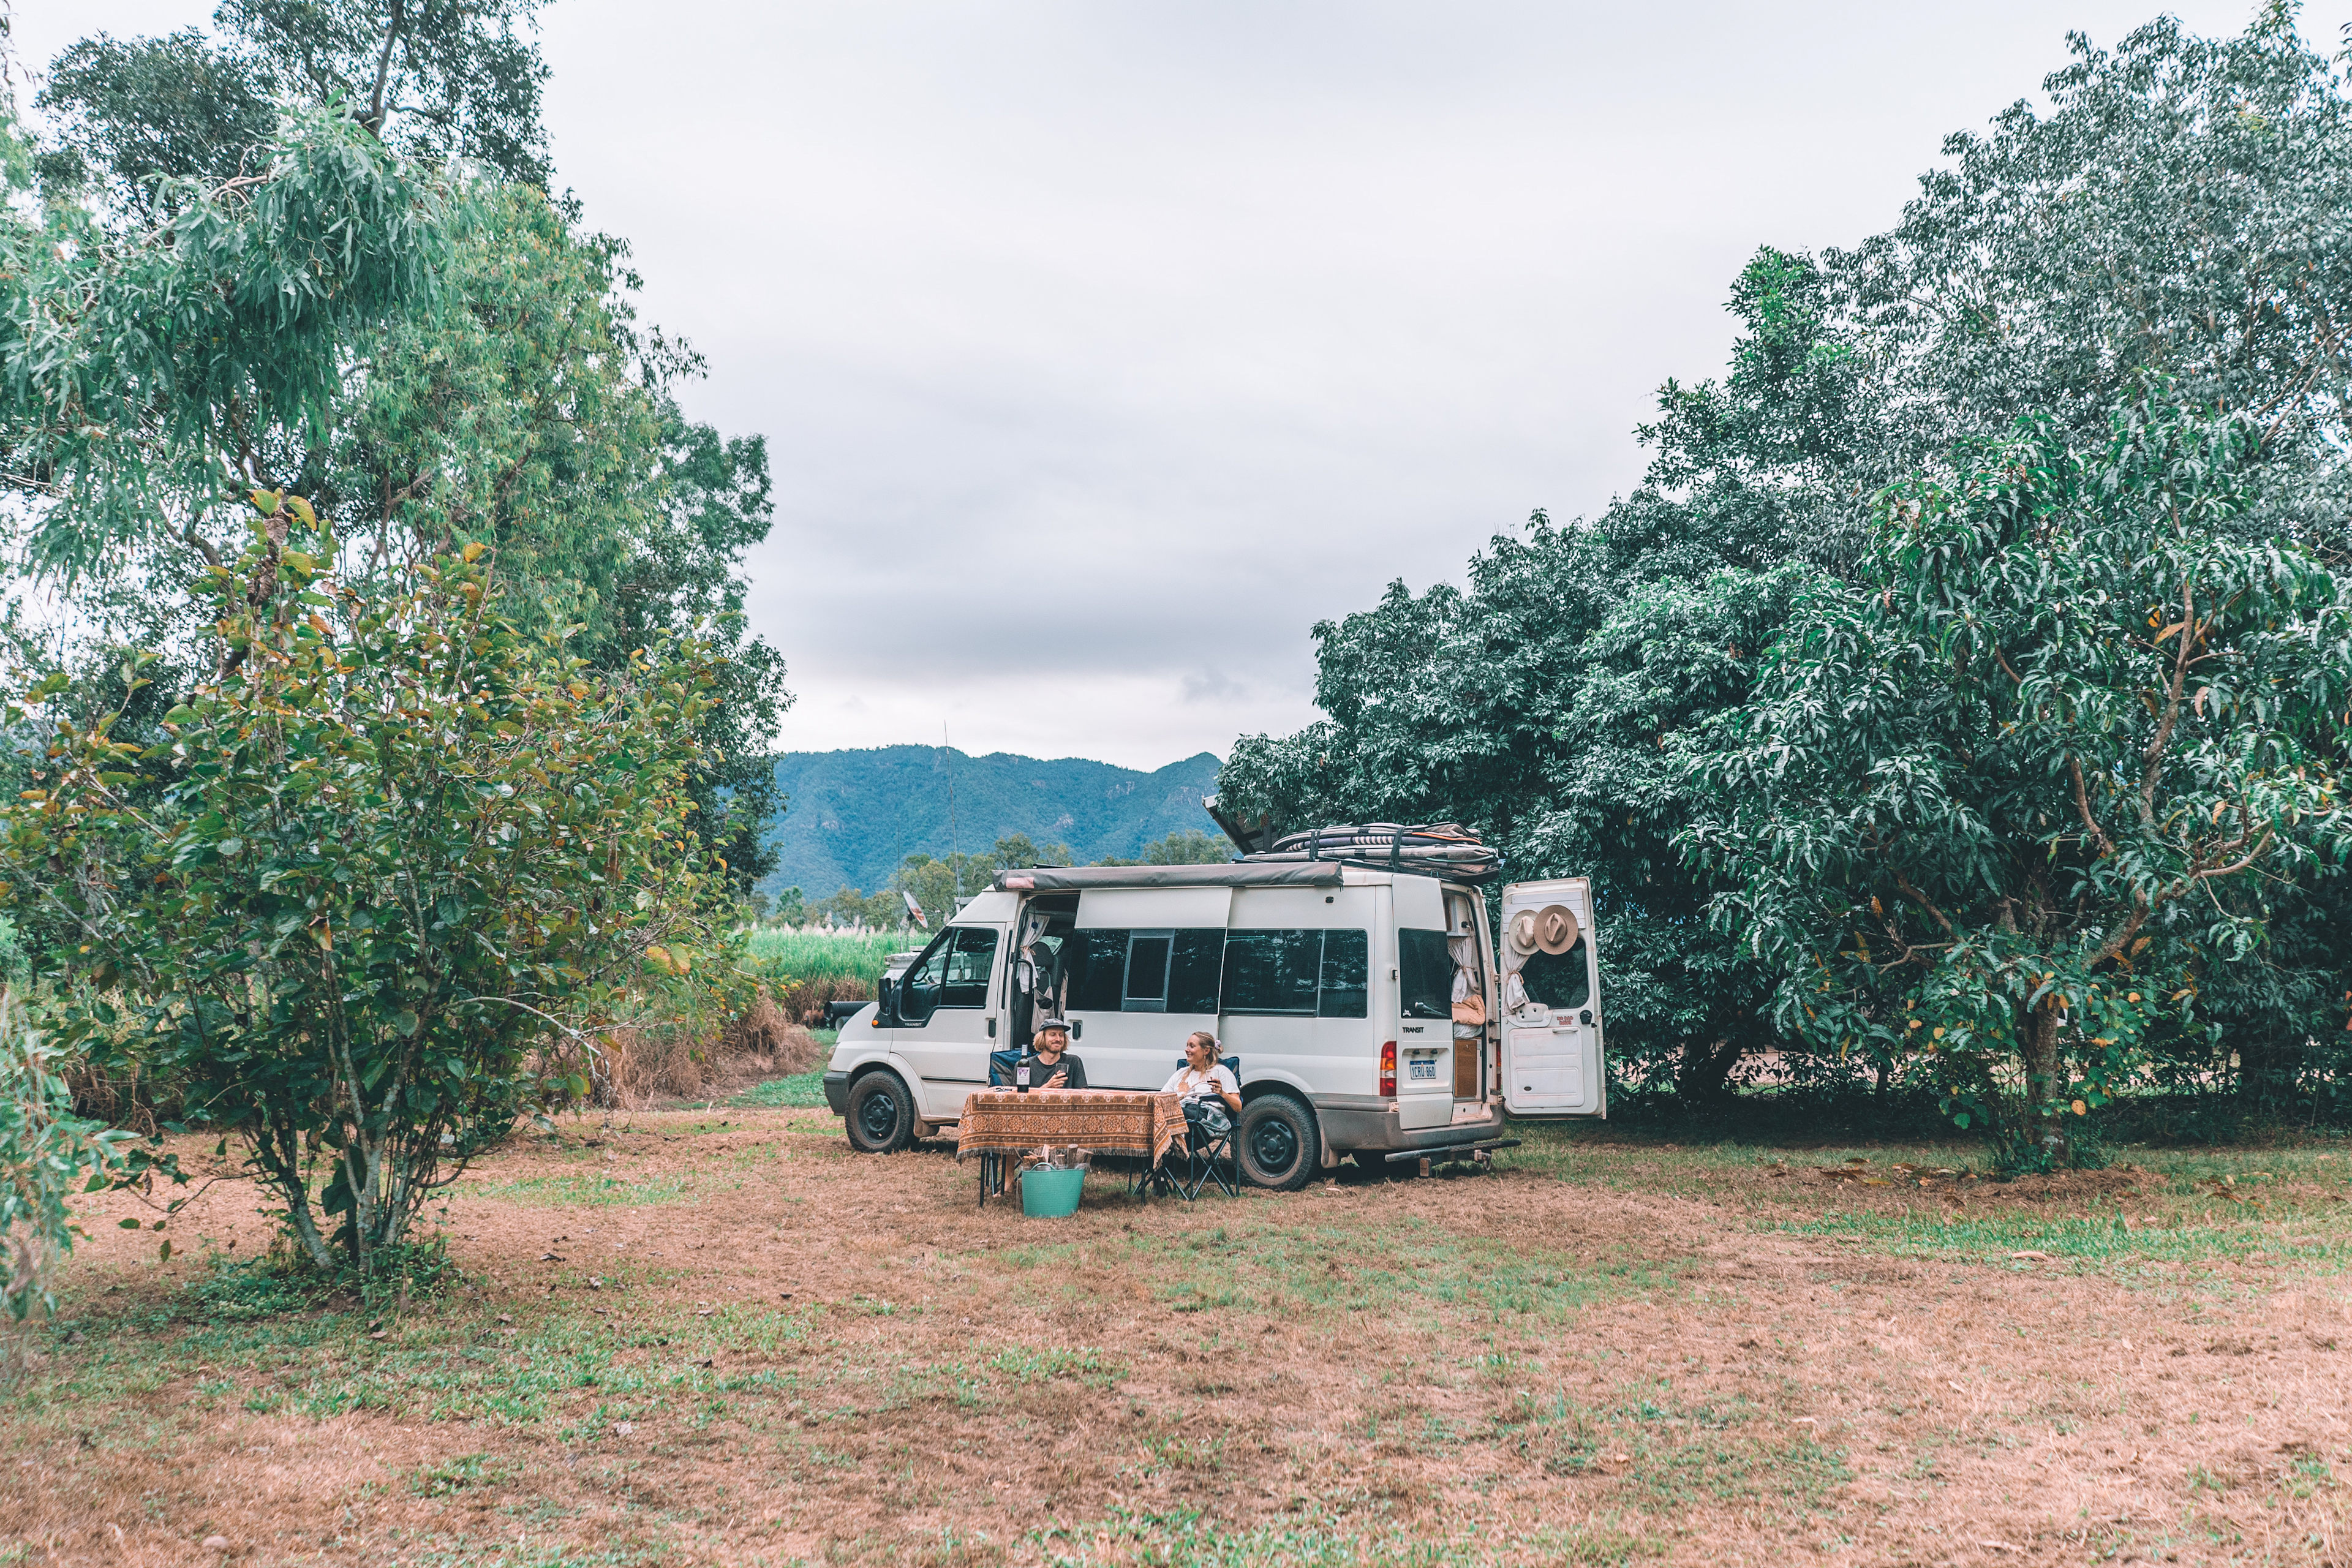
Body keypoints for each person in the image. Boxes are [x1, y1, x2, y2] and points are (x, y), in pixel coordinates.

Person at [1162, 1030, 1242, 1134]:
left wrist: (1222, 1093)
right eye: (1187, 1046)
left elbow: (1238, 1107)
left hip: (1204, 1118)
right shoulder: (1181, 1073)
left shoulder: (1221, 1072)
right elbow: (1162, 1096)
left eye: (1192, 1046)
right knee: (1156, 1111)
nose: (1187, 1050)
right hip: (1181, 1113)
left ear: (1206, 1051)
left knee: (1170, 1113)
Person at [1020, 1019, 1086, 1090]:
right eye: (1053, 1035)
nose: (1058, 1039)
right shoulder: (1025, 1066)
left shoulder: (1073, 1062)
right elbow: (1016, 1095)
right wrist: (1048, 1086)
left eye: (1061, 1035)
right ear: (1042, 1038)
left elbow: (1084, 1093)